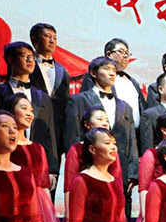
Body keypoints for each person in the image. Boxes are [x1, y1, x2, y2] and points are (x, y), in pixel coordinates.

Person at [63, 56, 139, 210]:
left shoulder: (125, 107)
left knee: (120, 211)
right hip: (90, 167)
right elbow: (73, 136)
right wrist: (79, 166)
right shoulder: (78, 100)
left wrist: (133, 172)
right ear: (93, 73)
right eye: (107, 69)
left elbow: (131, 140)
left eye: (114, 70)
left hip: (121, 169)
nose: (112, 73)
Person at [8, 93, 66, 222]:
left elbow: (43, 184)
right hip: (16, 202)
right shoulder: (6, 147)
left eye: (31, 110)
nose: (29, 113)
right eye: (23, 108)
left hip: (40, 203)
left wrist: (49, 215)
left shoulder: (38, 148)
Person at [0, 41, 58, 177]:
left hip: (36, 164)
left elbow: (49, 135)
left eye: (32, 56)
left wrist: (52, 170)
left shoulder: (43, 97)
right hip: (5, 162)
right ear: (10, 59)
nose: (30, 60)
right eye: (24, 55)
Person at [29, 23, 70, 178]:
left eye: (55, 38)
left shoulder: (62, 71)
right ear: (34, 39)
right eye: (47, 36)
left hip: (55, 136)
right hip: (31, 130)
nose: (52, 41)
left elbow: (65, 105)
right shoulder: (25, 66)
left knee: (52, 177)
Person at [99, 38, 147, 129]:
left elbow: (143, 109)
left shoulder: (132, 82)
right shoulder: (98, 77)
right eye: (121, 52)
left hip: (135, 134)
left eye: (127, 53)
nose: (125, 56)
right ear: (109, 54)